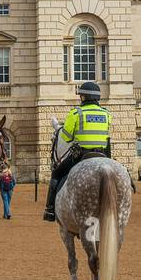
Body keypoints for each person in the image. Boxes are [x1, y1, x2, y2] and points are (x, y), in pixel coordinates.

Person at [42, 81, 111, 221]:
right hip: (103, 154)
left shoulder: (76, 113)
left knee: (56, 174)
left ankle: (50, 210)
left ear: (83, 97)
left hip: (82, 155)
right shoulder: (106, 114)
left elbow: (66, 137)